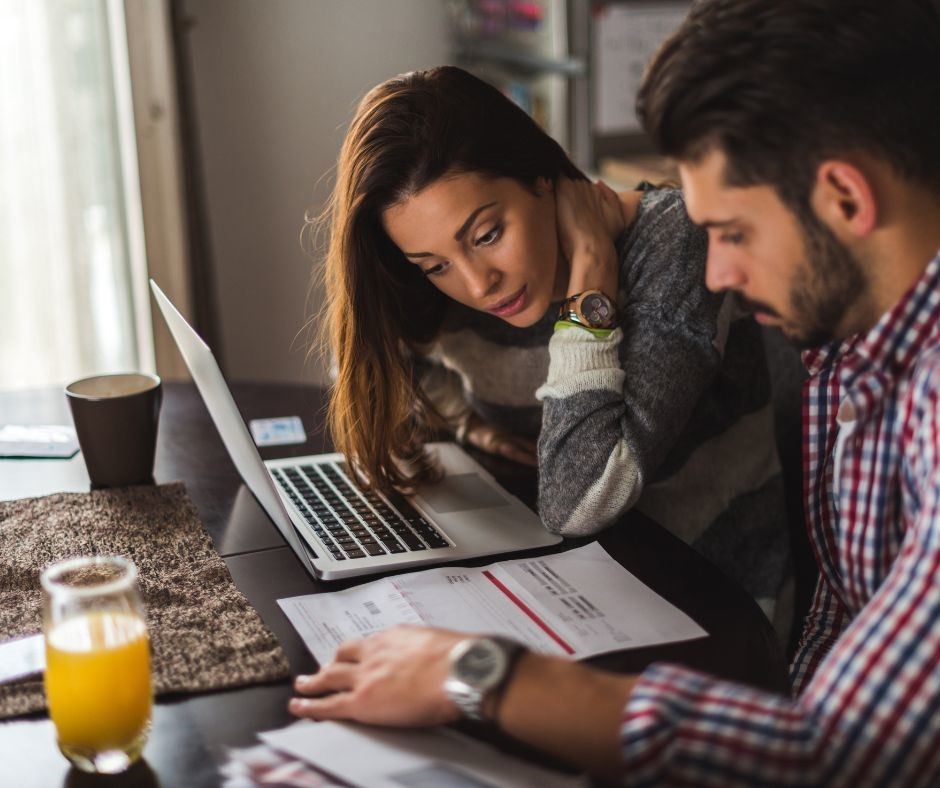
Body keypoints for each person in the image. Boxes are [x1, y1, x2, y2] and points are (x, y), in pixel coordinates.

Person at [289, 1, 940, 784]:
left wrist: (482, 675)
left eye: (732, 233)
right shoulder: (859, 355)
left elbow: (839, 754)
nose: (720, 271)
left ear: (844, 197)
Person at [314, 65, 789, 621]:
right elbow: (372, 363)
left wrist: (590, 283)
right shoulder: (456, 289)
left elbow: (577, 501)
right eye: (435, 265)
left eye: (488, 235)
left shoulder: (674, 245)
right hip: (566, 581)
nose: (476, 284)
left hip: (710, 609)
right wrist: (468, 424)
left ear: (541, 178)